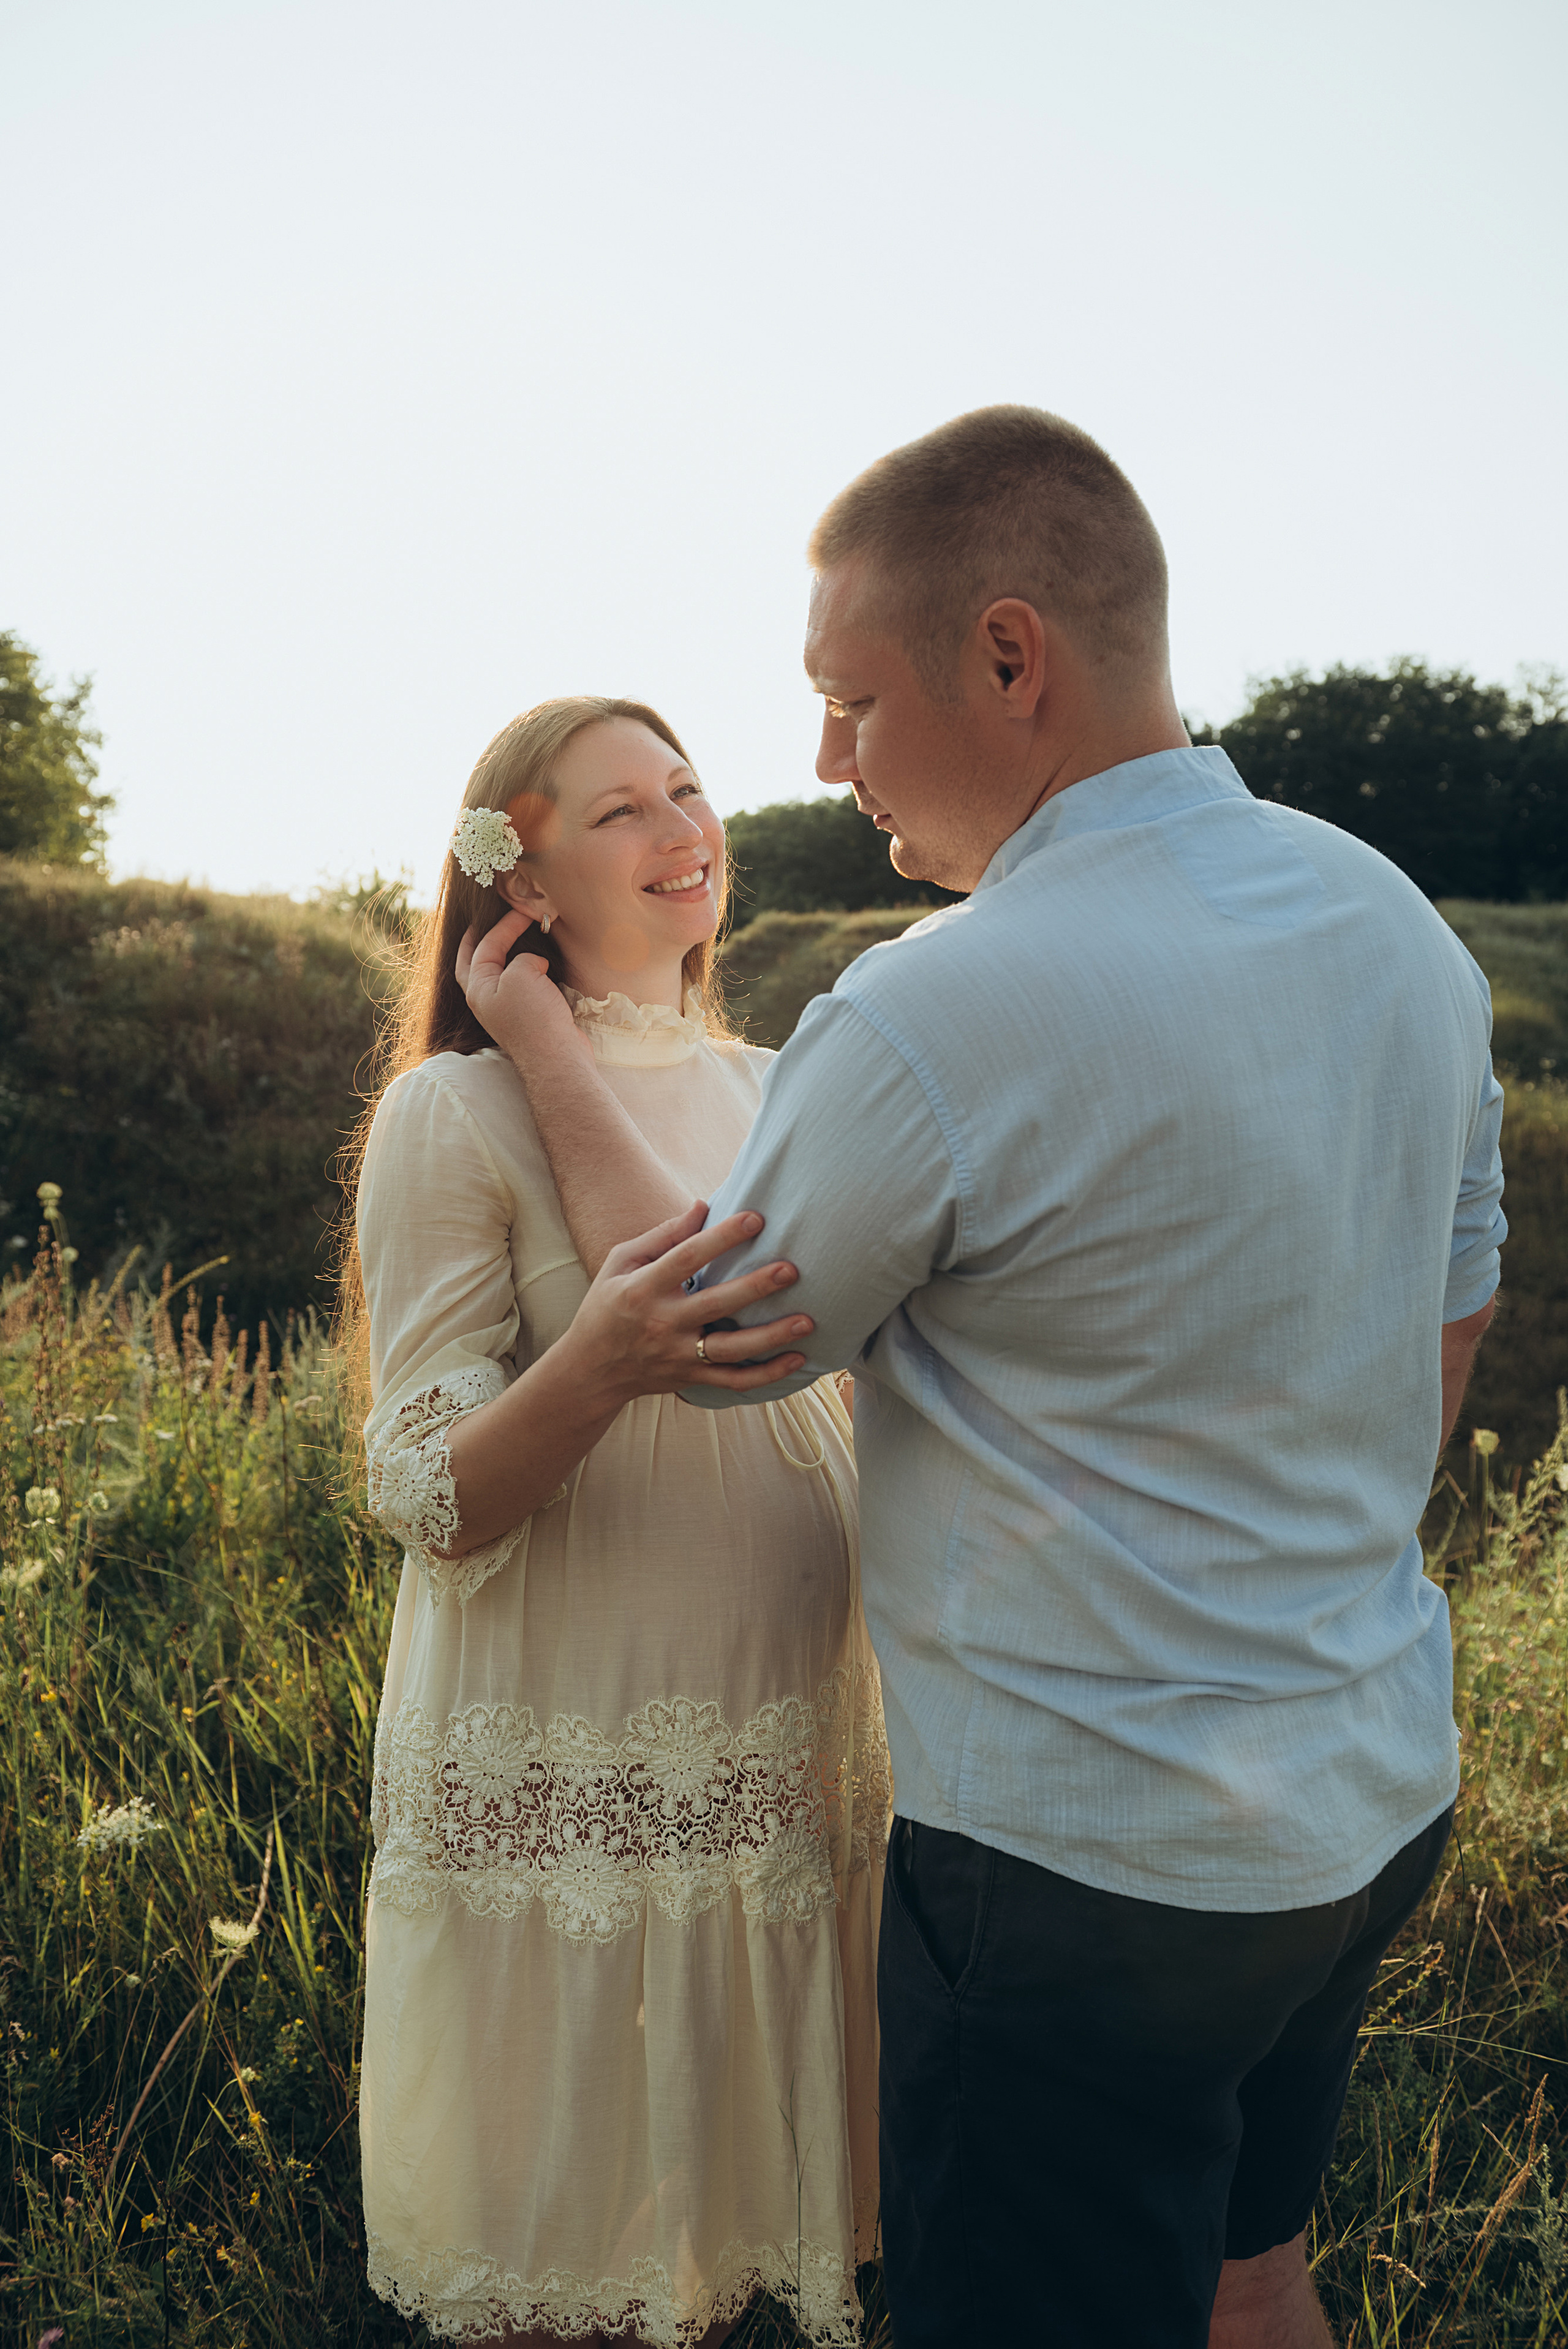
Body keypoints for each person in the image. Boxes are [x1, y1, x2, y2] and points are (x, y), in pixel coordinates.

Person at [502, 409, 1506, 2348]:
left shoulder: (932, 1004)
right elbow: (1438, 1335)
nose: (819, 761)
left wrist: (536, 1045)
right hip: (1368, 1794)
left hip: (1085, 1873)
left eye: (848, 699)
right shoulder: (1399, 930)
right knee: (1252, 2273)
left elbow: (722, 1340)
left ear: (1010, 657)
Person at [347, 696, 889, 2349]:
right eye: (620, 813)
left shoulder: (786, 1081)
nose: (683, 831)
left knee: (738, 2273)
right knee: (560, 2267)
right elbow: (423, 1485)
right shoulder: (454, 1111)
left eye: (690, 789)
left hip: (783, 1751)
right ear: (516, 873)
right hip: (571, 1747)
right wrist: (595, 1361)